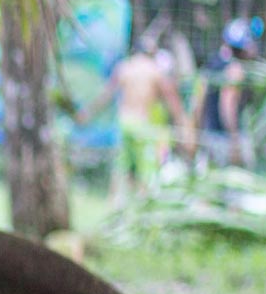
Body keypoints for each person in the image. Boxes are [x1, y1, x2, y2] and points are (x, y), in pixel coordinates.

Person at [75, 46, 188, 203]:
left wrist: (86, 113)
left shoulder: (125, 67)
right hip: (142, 124)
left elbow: (106, 95)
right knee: (145, 171)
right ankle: (141, 204)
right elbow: (172, 100)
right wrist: (182, 123)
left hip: (124, 122)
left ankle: (114, 203)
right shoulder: (154, 70)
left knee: (121, 169)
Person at [189, 17, 260, 169]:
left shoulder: (211, 65)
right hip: (226, 139)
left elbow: (197, 103)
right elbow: (227, 105)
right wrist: (234, 142)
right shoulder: (235, 70)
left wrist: (197, 134)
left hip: (210, 136)